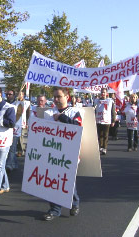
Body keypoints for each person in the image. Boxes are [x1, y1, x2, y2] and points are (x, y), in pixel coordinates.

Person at [43, 87, 82, 221]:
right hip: (53, 154)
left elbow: (78, 127)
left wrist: (62, 118)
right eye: (54, 97)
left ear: (67, 97)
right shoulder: (48, 112)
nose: (56, 99)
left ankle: (74, 203)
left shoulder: (74, 112)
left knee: (68, 182)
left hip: (70, 153)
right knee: (53, 182)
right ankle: (54, 210)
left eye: (59, 96)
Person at [6, 91, 30, 173]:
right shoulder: (7, 103)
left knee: (13, 146)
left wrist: (26, 122)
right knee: (11, 147)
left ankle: (9, 165)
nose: (8, 96)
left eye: (10, 94)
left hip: (17, 126)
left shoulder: (22, 103)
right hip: (8, 127)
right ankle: (14, 163)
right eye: (7, 94)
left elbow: (23, 113)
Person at [94, 88, 116, 155]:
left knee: (105, 135)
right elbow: (94, 110)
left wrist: (113, 120)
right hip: (99, 120)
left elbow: (113, 111)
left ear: (106, 93)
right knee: (99, 135)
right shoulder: (97, 101)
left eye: (104, 92)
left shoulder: (110, 101)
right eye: (102, 92)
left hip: (107, 121)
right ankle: (100, 147)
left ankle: (104, 148)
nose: (103, 93)